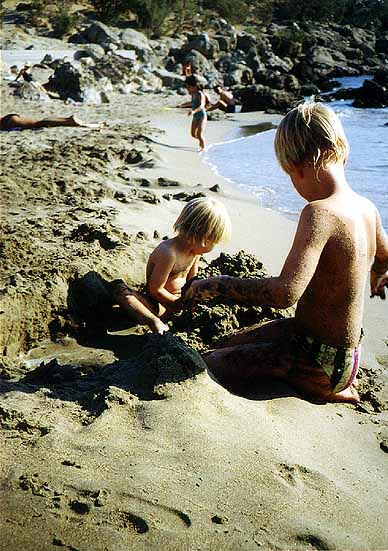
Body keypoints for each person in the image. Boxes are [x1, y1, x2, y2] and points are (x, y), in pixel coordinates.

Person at [183, 101, 388, 404]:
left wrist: (218, 284)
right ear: (342, 151)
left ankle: (326, 388)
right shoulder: (367, 208)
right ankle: (341, 382)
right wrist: (378, 272)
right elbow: (385, 256)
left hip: (313, 362)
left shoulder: (318, 214)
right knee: (230, 341)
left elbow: (283, 295)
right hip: (343, 357)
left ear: (296, 168)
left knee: (208, 363)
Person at [110, 197, 232, 335]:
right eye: (214, 242)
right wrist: (176, 303)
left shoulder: (195, 253)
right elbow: (155, 289)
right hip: (157, 305)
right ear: (204, 237)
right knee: (121, 291)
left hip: (178, 305)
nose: (214, 246)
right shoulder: (169, 254)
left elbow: (193, 281)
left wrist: (194, 298)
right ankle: (153, 322)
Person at [177, 75, 207, 151]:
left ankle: (204, 149)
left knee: (199, 134)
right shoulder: (193, 94)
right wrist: (181, 105)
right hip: (195, 116)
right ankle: (201, 141)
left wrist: (193, 111)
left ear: (194, 86)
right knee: (193, 134)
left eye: (188, 87)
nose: (187, 89)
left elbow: (202, 105)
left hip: (202, 116)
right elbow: (191, 103)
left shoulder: (200, 94)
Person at [0, 113, 102, 131]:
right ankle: (66, 120)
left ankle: (68, 121)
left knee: (39, 123)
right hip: (9, 119)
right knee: (39, 122)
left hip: (8, 122)